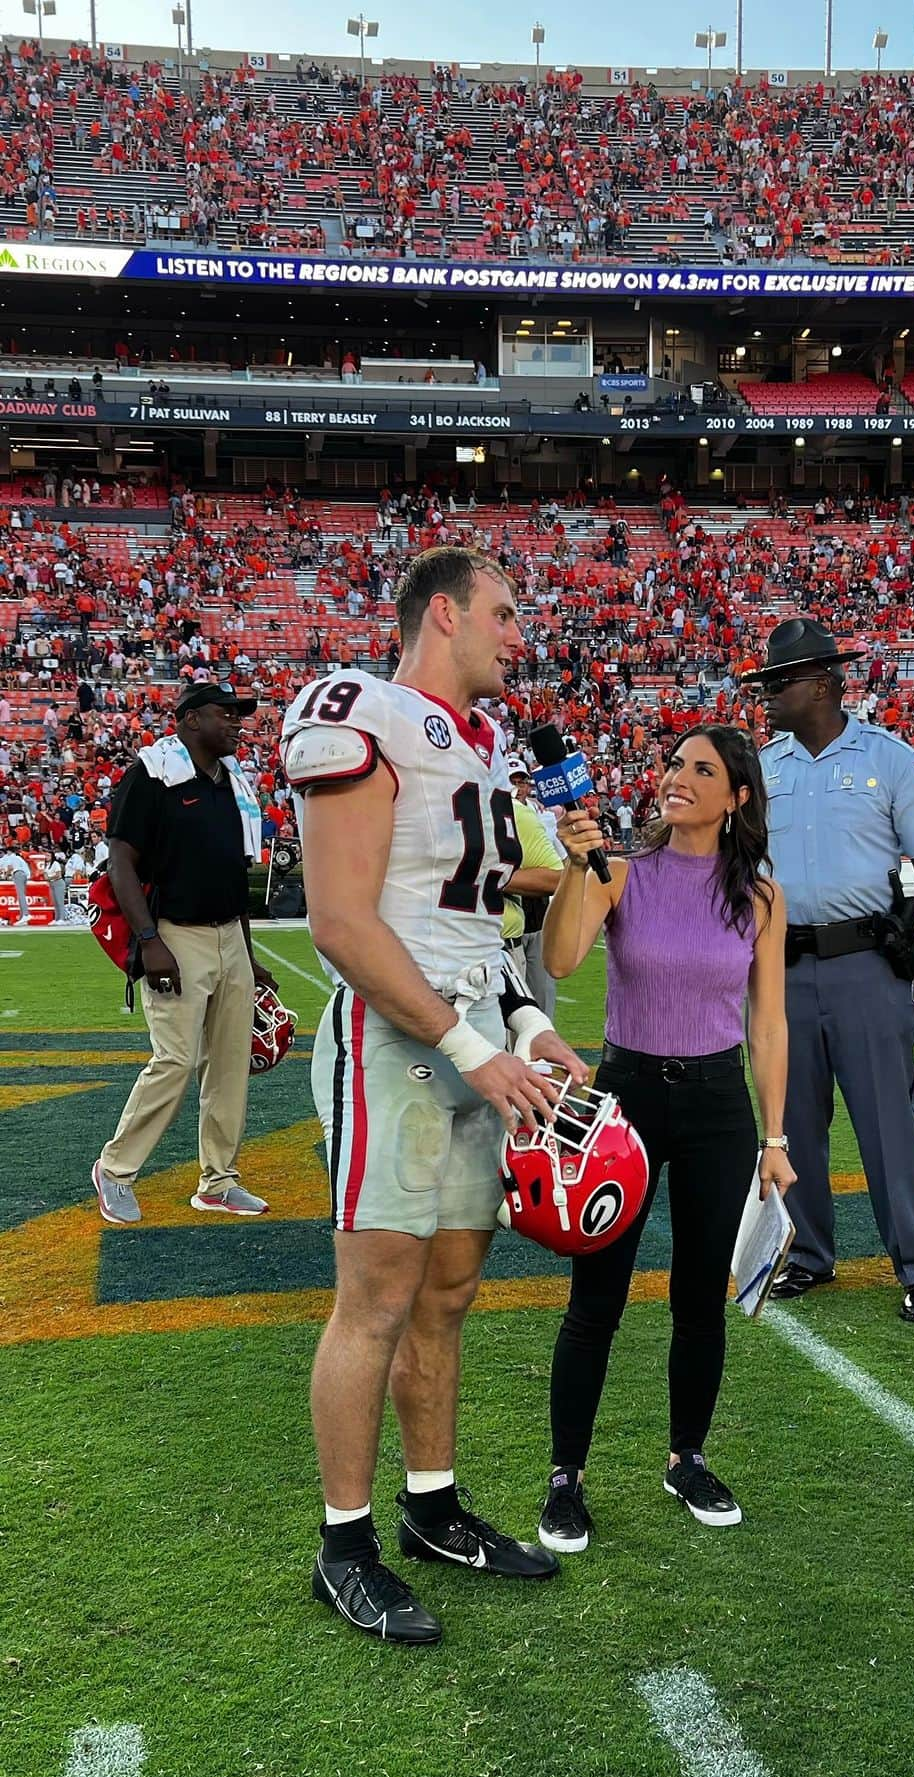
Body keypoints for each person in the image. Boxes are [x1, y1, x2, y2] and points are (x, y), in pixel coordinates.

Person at [280, 547, 588, 1649]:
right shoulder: (358, 709)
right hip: (396, 1042)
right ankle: (344, 1543)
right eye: (504, 612)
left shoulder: (484, 745)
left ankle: (432, 1506)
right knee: (375, 1296)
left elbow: (473, 931)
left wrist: (531, 1028)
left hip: (471, 1038)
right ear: (444, 612)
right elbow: (342, 922)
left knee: (451, 1291)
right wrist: (470, 1043)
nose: (519, 632)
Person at [535, 726, 794, 1552]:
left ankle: (687, 1457)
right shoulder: (620, 871)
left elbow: (769, 1023)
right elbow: (563, 957)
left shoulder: (758, 894)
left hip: (720, 1106)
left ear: (737, 797)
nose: (677, 778)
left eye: (702, 769)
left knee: (698, 1302)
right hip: (626, 1099)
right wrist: (578, 864)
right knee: (596, 1300)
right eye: (674, 764)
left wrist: (777, 1136)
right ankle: (565, 1476)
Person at [751, 619, 914, 1325]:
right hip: (785, 966)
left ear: (821, 683)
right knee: (794, 1122)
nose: (767, 697)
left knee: (887, 1122)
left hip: (867, 965)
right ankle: (811, 1255)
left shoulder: (888, 759)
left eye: (778, 683)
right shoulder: (763, 766)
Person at [91, 683, 277, 1227]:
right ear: (192, 719)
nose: (238, 724)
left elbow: (231, 874)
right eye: (227, 714)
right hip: (176, 934)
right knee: (175, 1059)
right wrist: (150, 940)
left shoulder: (229, 782)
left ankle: (218, 1180)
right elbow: (121, 862)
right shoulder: (152, 774)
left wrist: (247, 951)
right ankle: (115, 1168)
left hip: (228, 936)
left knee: (228, 1064)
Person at [505, 755, 563, 1020]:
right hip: (510, 918)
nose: (518, 787)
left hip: (538, 915)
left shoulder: (542, 817)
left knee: (541, 994)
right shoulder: (503, 812)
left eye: (521, 781)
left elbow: (559, 867)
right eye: (512, 781)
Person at [0, 849, 31, 923]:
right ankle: (23, 917)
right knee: (21, 895)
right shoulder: (18, 858)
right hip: (24, 875)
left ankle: (26, 914)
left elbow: (10, 868)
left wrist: (5, 876)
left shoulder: (11, 857)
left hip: (18, 874)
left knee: (21, 895)